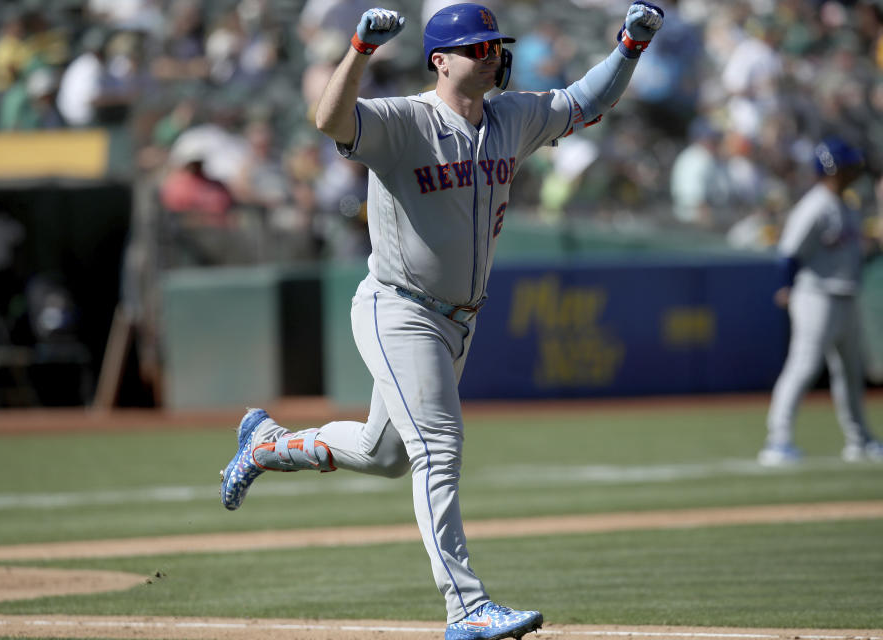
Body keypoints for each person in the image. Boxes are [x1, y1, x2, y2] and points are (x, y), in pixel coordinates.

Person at [219, 3, 664, 639]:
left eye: (494, 46)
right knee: (439, 445)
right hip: (398, 307)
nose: (492, 56)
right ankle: (466, 607)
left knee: (384, 454)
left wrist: (629, 46)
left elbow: (584, 101)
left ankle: (266, 446)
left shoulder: (512, 117)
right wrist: (359, 50)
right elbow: (329, 120)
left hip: (458, 321)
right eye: (479, 48)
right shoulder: (406, 120)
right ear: (441, 60)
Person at [758, 137, 883, 466]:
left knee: (851, 374)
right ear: (832, 169)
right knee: (803, 366)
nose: (854, 170)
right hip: (816, 294)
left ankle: (860, 440)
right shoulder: (815, 205)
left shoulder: (847, 204)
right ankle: (778, 440)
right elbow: (788, 253)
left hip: (845, 293)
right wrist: (785, 287)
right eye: (847, 165)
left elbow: (851, 252)